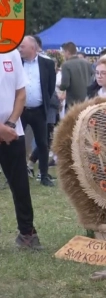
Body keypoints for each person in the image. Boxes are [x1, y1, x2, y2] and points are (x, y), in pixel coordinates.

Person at [0, 49, 43, 249]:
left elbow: (21, 93)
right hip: (6, 131)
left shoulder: (12, 52)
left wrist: (9, 124)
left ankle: (27, 233)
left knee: (20, 186)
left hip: (13, 131)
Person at [18, 36, 56, 187]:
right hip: (20, 110)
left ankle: (44, 175)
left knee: (42, 143)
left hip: (39, 110)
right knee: (16, 143)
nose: (20, 49)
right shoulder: (17, 63)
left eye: (23, 46)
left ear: (32, 48)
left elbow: (50, 87)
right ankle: (17, 175)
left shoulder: (47, 63)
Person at [59, 41, 94, 112]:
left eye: (63, 52)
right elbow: (93, 76)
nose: (63, 55)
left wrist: (59, 87)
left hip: (72, 102)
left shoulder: (66, 65)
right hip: (86, 100)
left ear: (67, 52)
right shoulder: (87, 63)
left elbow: (65, 84)